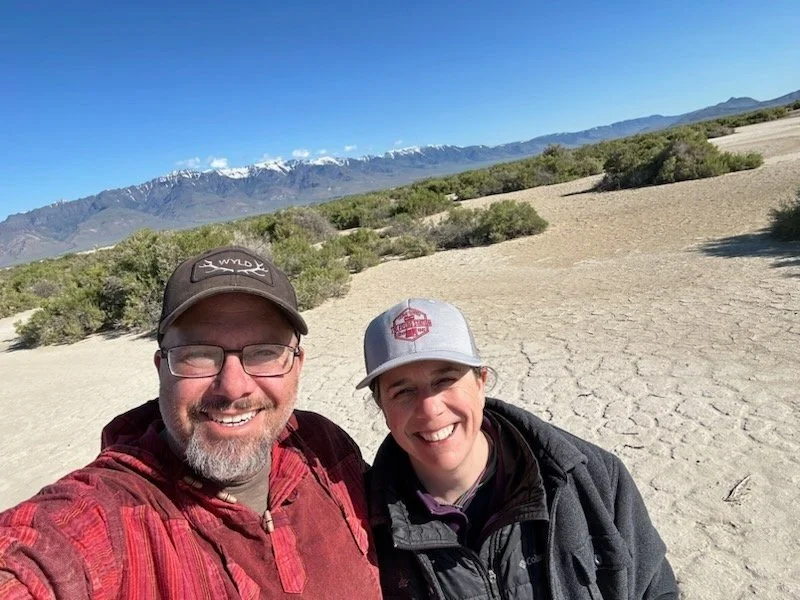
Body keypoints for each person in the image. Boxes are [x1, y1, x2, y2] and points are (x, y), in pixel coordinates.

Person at [0, 246, 381, 599]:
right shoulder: (114, 513)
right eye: (198, 354)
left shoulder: (324, 448)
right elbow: (36, 555)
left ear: (296, 366)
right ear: (162, 369)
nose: (233, 388)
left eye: (265, 352)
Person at [359, 298, 678, 599]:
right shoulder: (366, 530)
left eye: (445, 380)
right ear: (382, 407)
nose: (430, 409)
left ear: (481, 382)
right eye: (403, 392)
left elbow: (654, 589)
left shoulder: (592, 478)